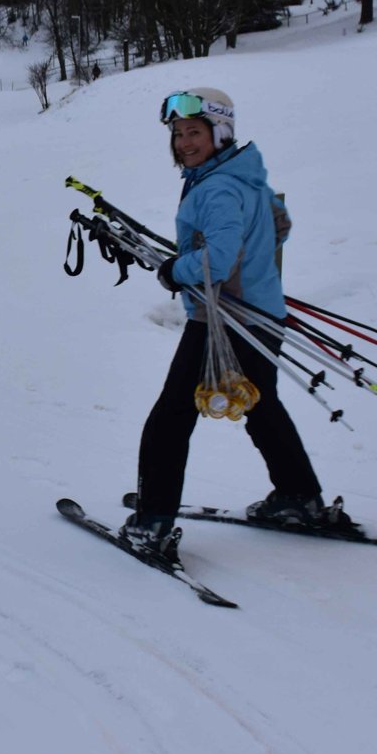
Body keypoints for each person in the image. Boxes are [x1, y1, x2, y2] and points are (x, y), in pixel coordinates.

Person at [121, 88, 336, 562]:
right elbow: (279, 224)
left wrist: (175, 269)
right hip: (262, 314)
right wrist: (252, 266)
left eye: (194, 132)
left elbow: (216, 261)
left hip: (223, 320)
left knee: (171, 418)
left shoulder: (216, 187)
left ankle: (152, 523)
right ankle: (299, 496)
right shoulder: (245, 175)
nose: (183, 143)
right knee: (261, 405)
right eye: (178, 134)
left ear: (220, 132)